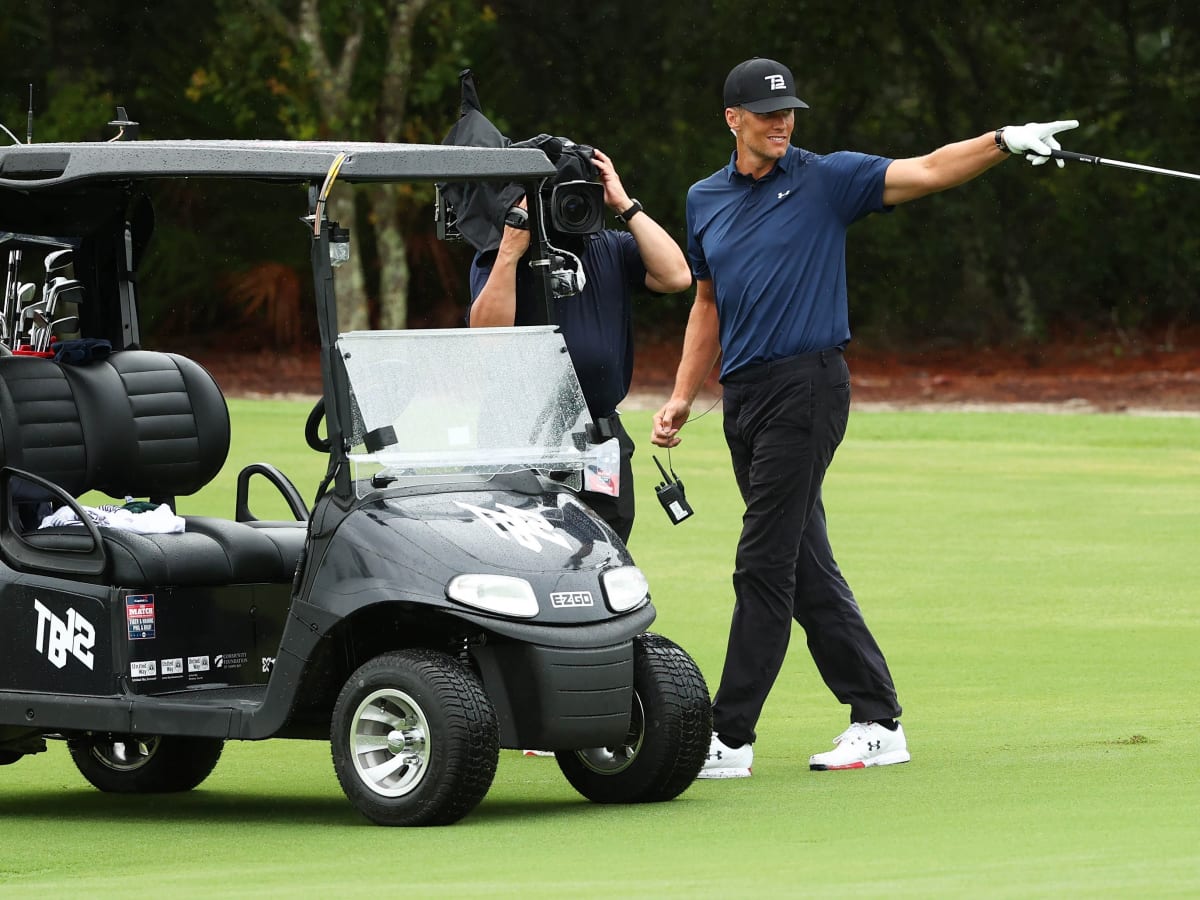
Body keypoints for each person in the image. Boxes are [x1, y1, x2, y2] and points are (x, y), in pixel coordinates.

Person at [651, 56, 1078, 778]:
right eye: (766, 112)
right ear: (733, 120)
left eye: (789, 111)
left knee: (763, 563)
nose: (782, 122)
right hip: (744, 399)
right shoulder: (704, 199)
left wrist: (1001, 140)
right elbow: (707, 302)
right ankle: (877, 720)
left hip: (809, 387)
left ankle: (729, 737)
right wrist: (681, 394)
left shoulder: (827, 179)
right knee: (804, 566)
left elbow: (931, 170)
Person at [470, 146, 692, 544]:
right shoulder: (503, 253)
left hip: (598, 438)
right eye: (558, 196)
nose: (570, 207)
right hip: (522, 440)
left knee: (604, 555)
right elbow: (486, 334)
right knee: (526, 563)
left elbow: (676, 275)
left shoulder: (610, 246)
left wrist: (624, 203)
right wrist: (509, 251)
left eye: (579, 195)